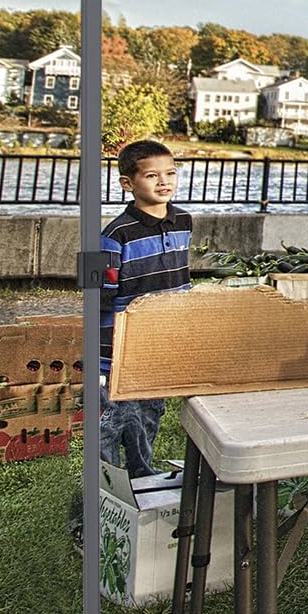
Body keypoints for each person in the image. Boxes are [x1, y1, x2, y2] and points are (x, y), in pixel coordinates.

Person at [100, 140, 192, 477]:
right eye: (152, 175)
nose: (164, 182)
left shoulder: (184, 221)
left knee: (150, 412)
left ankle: (142, 474)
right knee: (112, 419)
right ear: (128, 183)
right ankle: (107, 486)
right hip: (118, 349)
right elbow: (97, 292)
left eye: (170, 173)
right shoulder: (112, 234)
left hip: (161, 344)